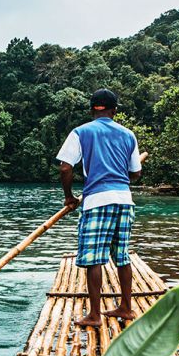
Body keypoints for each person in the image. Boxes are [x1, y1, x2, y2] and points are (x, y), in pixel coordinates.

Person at [56, 88, 142, 327]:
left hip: (97, 201)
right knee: (122, 256)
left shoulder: (81, 132)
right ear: (114, 110)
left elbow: (65, 168)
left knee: (94, 259)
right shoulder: (128, 135)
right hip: (124, 201)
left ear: (93, 109)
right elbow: (136, 173)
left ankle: (94, 315)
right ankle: (126, 307)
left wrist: (69, 197)